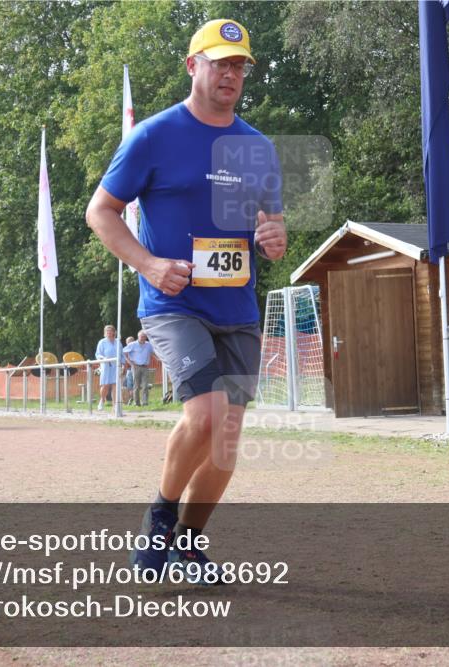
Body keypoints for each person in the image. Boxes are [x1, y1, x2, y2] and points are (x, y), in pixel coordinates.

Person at [86, 18, 286, 583]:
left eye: (239, 65)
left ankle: (189, 545)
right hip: (172, 303)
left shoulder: (257, 147)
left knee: (225, 444)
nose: (231, 74)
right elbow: (99, 211)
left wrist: (275, 237)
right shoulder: (153, 135)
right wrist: (147, 263)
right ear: (192, 65)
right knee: (206, 415)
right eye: (220, 62)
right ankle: (159, 519)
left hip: (238, 309)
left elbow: (270, 225)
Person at [125, 330, 155, 407]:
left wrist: (159, 358)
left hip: (145, 367)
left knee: (145, 386)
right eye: (141, 336)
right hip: (136, 367)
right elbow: (123, 352)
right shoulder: (132, 344)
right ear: (138, 337)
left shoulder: (148, 345)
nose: (143, 338)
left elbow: (152, 353)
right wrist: (131, 363)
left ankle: (145, 402)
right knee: (136, 386)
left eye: (144, 336)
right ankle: (136, 403)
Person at [95, 325, 120, 410]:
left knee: (115, 385)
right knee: (105, 385)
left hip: (116, 365)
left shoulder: (118, 342)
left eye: (110, 331)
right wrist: (103, 358)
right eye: (107, 331)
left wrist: (123, 364)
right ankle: (102, 400)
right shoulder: (102, 342)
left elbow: (121, 354)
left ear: (114, 332)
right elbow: (98, 354)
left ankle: (115, 405)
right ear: (105, 333)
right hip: (106, 365)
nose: (109, 333)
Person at [123, 336, 136, 406]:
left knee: (130, 387)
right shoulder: (135, 349)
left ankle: (131, 400)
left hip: (130, 370)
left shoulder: (126, 350)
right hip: (128, 370)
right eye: (128, 342)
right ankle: (131, 400)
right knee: (129, 387)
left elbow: (124, 361)